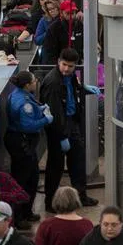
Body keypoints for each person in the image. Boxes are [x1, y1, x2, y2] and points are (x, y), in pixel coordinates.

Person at [40, 47, 100, 211]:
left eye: (71, 66)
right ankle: (50, 202)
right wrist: (61, 136)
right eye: (64, 65)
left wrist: (83, 89)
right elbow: (55, 114)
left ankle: (81, 196)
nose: (66, 69)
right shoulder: (53, 83)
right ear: (58, 62)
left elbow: (73, 91)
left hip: (72, 123)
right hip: (58, 129)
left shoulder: (70, 77)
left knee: (78, 162)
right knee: (55, 166)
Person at [5, 70, 52, 223]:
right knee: (23, 180)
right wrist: (46, 119)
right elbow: (28, 126)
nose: (36, 82)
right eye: (33, 81)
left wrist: (40, 109)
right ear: (27, 85)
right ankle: (18, 218)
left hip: (20, 140)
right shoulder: (24, 103)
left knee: (32, 178)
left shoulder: (19, 94)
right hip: (22, 142)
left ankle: (26, 212)